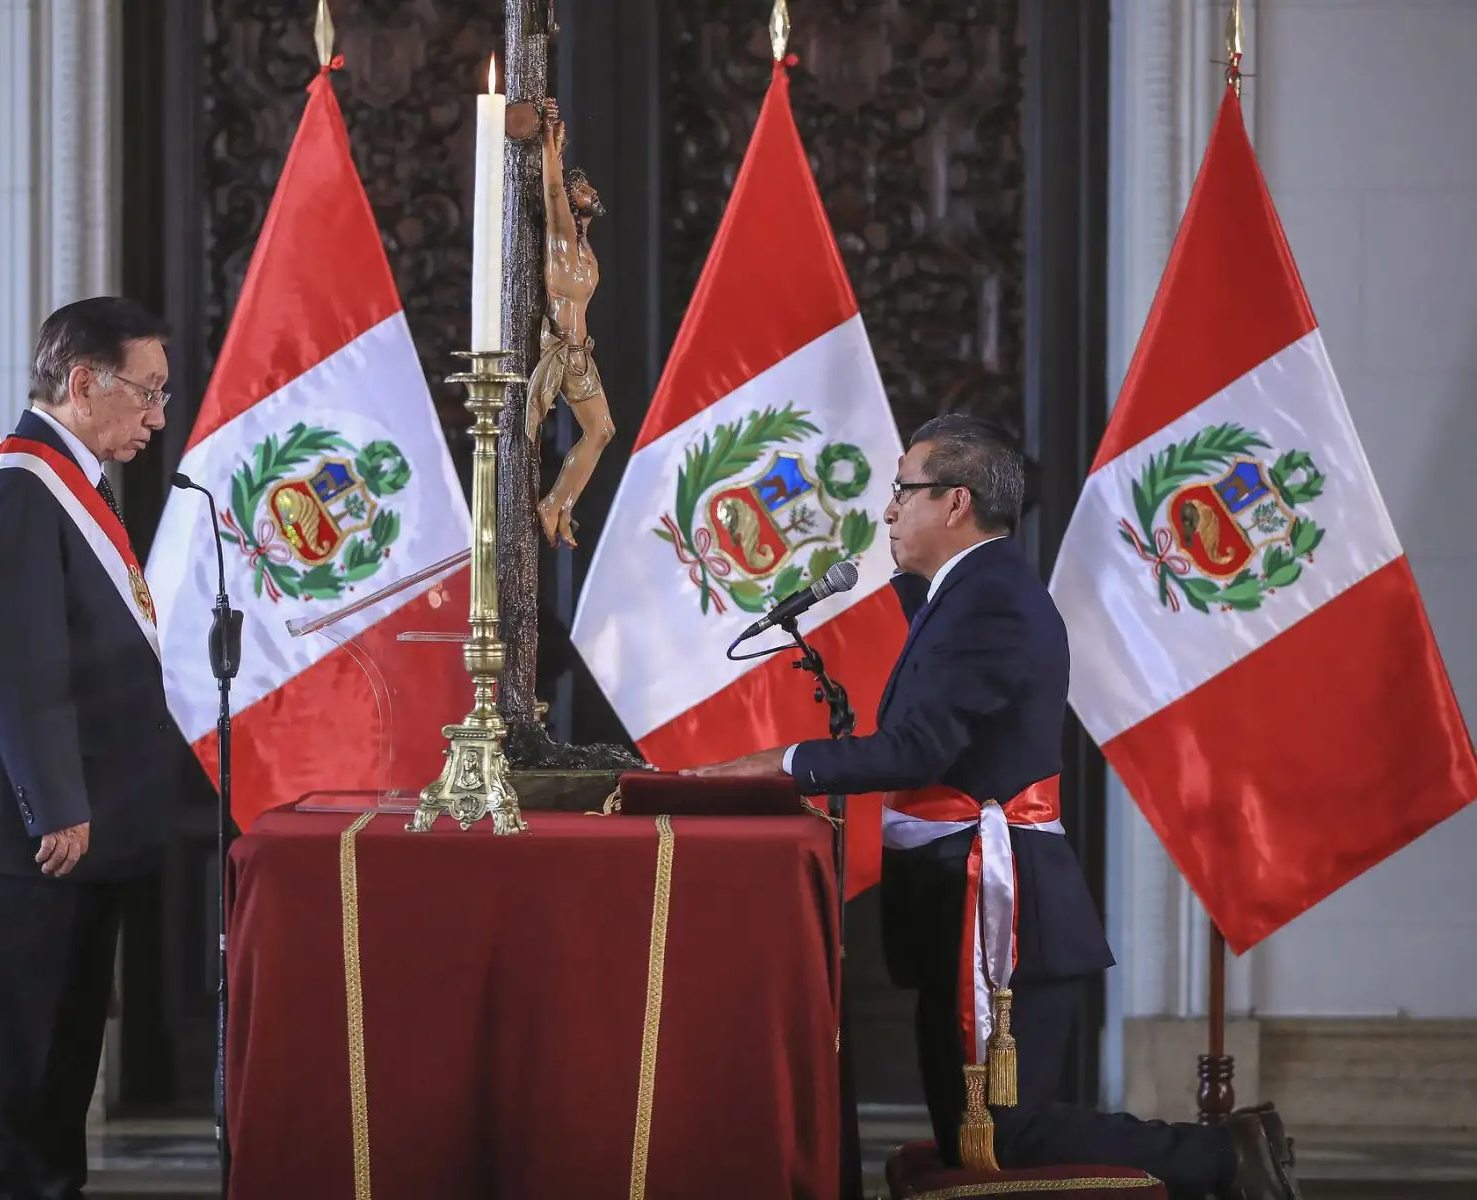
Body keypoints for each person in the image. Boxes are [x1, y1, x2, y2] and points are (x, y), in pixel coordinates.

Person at [686, 414, 1301, 1200]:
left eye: (903, 490)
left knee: (1010, 1134)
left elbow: (916, 749)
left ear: (954, 502)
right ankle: (1220, 1153)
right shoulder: (963, 593)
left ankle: (1223, 1156)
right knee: (965, 1136)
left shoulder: (993, 602)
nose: (887, 510)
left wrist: (781, 763)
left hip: (1002, 913)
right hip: (954, 909)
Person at [0, 297, 214, 1199]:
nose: (159, 417)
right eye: (149, 392)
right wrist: (56, 804)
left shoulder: (73, 485)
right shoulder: (17, 487)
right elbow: (18, 664)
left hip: (82, 833)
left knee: (60, 1071)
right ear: (84, 382)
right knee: (17, 1072)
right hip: (33, 836)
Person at [524, 96, 615, 549]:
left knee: (604, 431)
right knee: (599, 430)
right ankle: (553, 503)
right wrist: (548, 144)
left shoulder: (586, 251)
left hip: (583, 354)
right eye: (586, 190)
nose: (592, 194)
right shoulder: (560, 240)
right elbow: (553, 191)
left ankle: (561, 504)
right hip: (562, 353)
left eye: (591, 190)